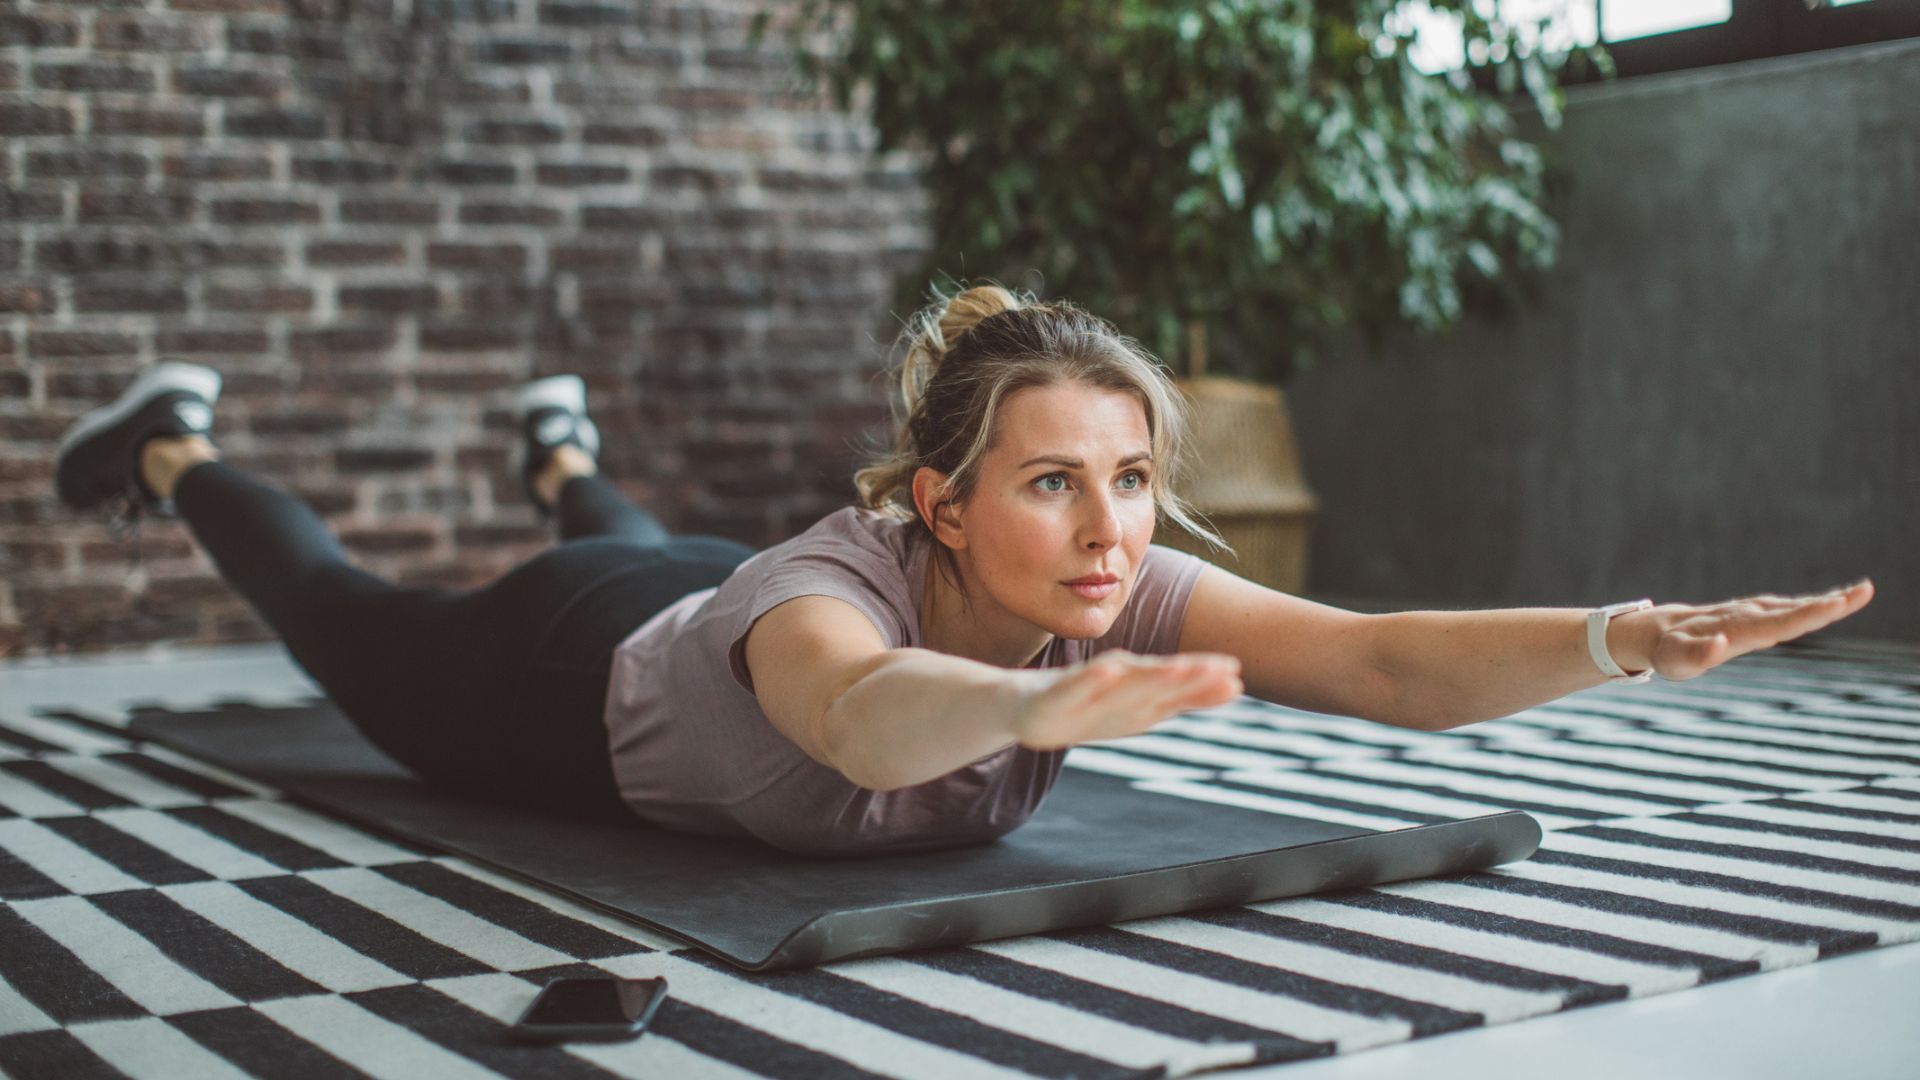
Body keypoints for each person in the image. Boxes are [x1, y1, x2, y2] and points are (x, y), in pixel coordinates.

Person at [52, 284, 1876, 857]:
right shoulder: (826, 606)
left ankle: (564, 452)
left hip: (691, 578)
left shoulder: (1106, 578)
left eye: (1137, 482)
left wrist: (1623, 634)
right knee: (347, 625)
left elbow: (1382, 661)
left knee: (641, 537)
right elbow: (857, 717)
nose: (1110, 532)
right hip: (570, 672)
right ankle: (169, 442)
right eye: (1055, 486)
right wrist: (1028, 703)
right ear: (941, 503)